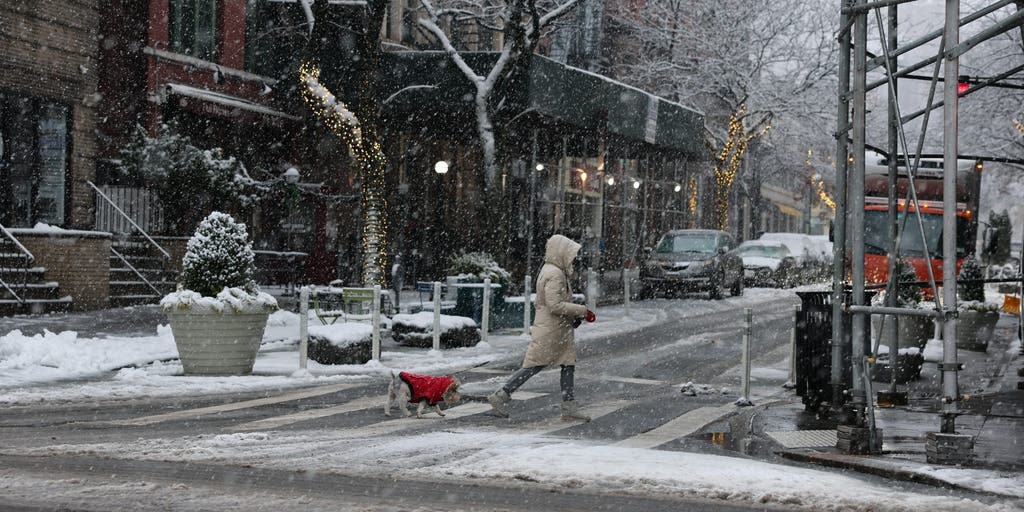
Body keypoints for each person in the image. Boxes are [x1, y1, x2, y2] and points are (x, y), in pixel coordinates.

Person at [488, 234, 596, 421]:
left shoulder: (552, 270)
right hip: (552, 330)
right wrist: (582, 311)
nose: (573, 259)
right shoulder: (555, 274)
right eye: (571, 254)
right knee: (535, 365)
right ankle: (501, 395)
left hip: (556, 328)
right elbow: (555, 305)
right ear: (561, 253)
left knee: (566, 364)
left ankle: (568, 406)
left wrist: (574, 316)